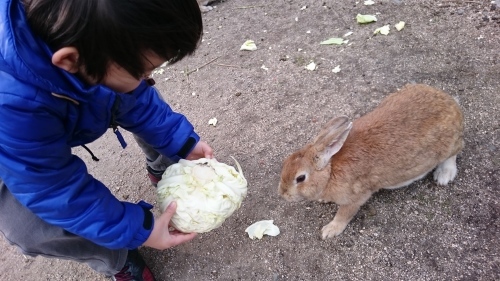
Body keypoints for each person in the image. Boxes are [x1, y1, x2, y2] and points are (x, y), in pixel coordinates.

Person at [0, 0, 213, 280]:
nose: (147, 77)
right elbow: (55, 190)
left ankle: (163, 167)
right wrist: (140, 230)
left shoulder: (92, 40)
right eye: (142, 70)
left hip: (75, 90)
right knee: (27, 229)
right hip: (13, 148)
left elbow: (138, 101)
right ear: (70, 60)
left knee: (127, 94)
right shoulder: (13, 105)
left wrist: (182, 143)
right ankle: (116, 256)